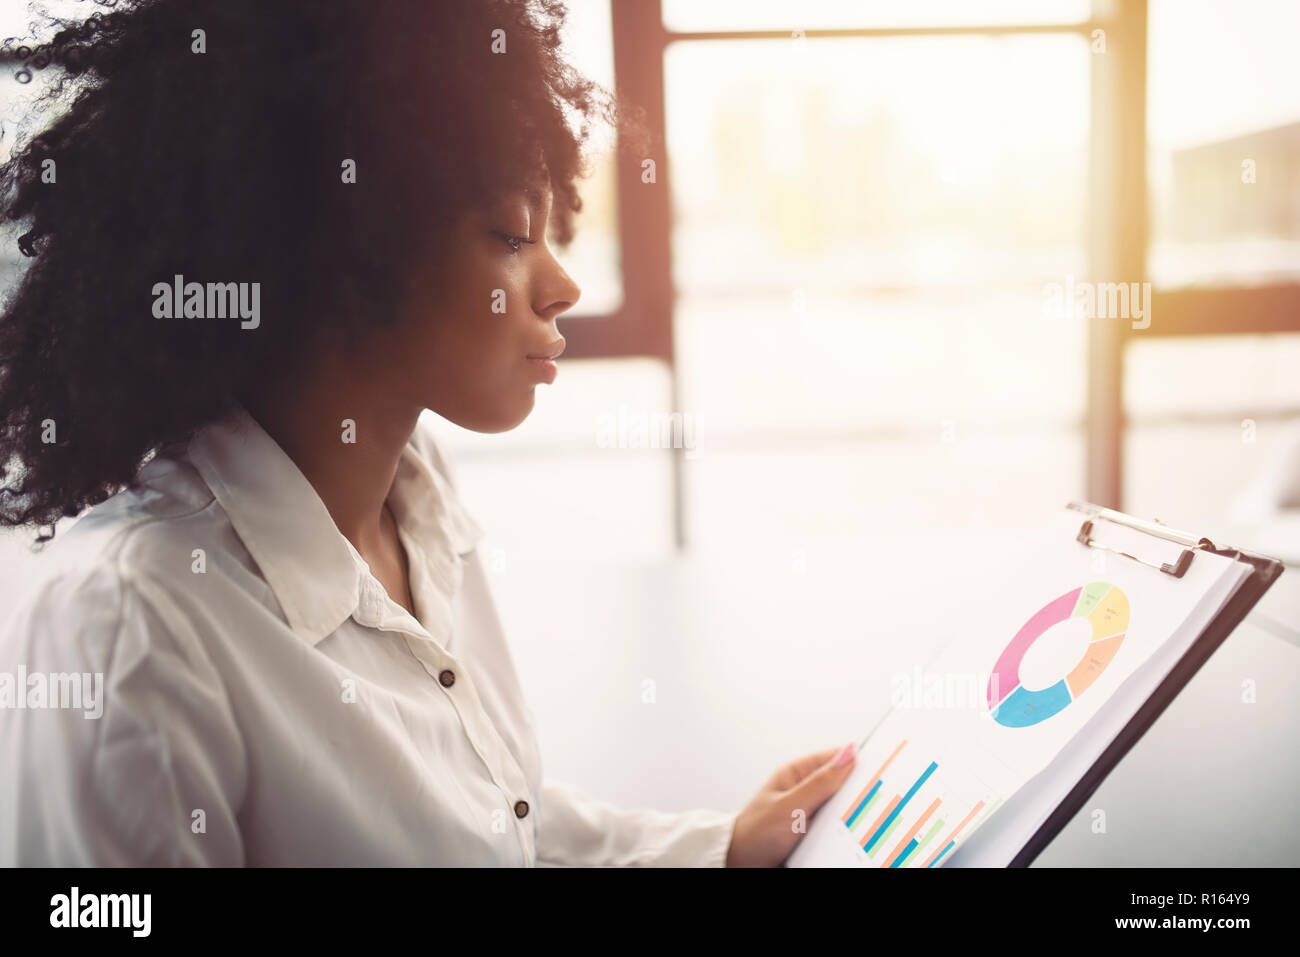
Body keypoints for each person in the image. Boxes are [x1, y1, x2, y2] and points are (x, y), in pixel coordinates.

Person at [0, 0, 856, 866]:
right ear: (345, 249)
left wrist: (721, 850)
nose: (559, 284)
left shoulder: (415, 495)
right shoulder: (129, 625)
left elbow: (491, 823)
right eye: (511, 235)